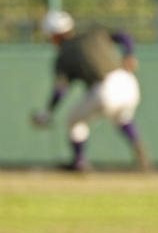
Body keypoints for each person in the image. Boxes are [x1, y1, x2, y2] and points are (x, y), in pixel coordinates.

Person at [30, 10, 151, 172]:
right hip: (128, 81)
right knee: (122, 117)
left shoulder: (64, 54)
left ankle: (79, 162)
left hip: (105, 88)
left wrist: (48, 112)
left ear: (54, 35)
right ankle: (141, 156)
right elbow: (124, 36)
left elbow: (60, 90)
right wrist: (129, 55)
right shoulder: (94, 33)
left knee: (73, 120)